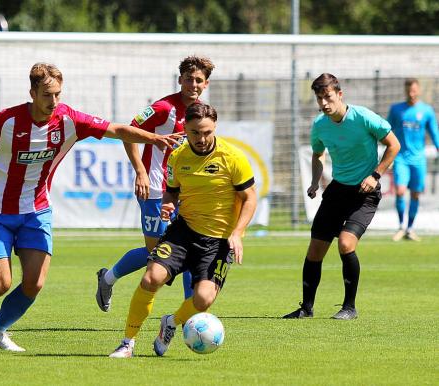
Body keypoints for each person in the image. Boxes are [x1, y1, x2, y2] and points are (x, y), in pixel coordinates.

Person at [0, 62, 179, 352]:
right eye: (47, 95)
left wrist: (154, 138)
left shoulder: (69, 119)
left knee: (33, 284)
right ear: (32, 92)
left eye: (58, 94)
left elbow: (117, 129)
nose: (54, 101)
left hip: (36, 209)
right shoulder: (8, 121)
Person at [109, 103, 257, 358]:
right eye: (194, 133)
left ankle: (171, 322)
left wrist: (237, 232)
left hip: (219, 242)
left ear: (215, 128)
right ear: (185, 129)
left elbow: (250, 198)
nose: (201, 139)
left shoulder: (233, 158)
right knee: (150, 278)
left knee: (203, 300)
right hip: (184, 231)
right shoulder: (178, 156)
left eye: (207, 132)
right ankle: (127, 343)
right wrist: (168, 204)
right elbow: (172, 191)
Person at [96, 56, 215, 312]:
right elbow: (128, 132)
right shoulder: (163, 108)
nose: (193, 84)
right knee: (157, 253)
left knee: (190, 249)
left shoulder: (202, 113)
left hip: (186, 191)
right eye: (188, 79)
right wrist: (140, 171)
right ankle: (107, 279)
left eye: (198, 80)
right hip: (155, 189)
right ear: (179, 79)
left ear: (205, 84)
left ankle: (191, 312)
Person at [282, 73, 400, 321]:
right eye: (319, 98)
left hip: (364, 192)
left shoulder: (363, 117)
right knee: (315, 249)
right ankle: (306, 308)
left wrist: (375, 175)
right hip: (337, 190)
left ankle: (349, 307)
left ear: (339, 94)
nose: (324, 103)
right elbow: (317, 154)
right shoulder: (320, 125)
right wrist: (315, 181)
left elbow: (394, 145)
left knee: (346, 244)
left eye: (328, 97)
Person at [387, 78, 439, 242]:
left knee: (415, 194)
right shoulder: (396, 110)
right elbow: (386, 130)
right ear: (405, 90)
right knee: (401, 191)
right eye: (409, 90)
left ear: (419, 90)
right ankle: (401, 226)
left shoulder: (426, 111)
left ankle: (410, 228)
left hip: (418, 160)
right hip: (401, 158)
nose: (411, 93)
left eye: (414, 90)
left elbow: (434, 133)